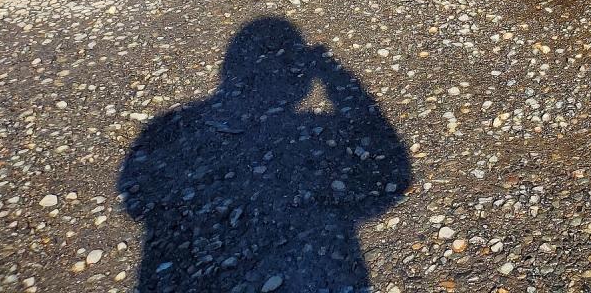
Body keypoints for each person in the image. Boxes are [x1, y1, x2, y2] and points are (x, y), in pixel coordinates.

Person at [118, 17, 410, 292]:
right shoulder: (313, 130)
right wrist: (334, 73)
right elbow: (390, 172)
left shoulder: (169, 126)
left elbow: (138, 200)